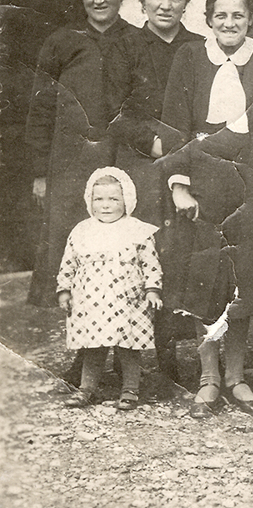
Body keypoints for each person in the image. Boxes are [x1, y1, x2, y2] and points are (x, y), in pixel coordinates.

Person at [160, 0, 253, 418]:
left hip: (249, 179)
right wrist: (179, 183)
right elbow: (175, 122)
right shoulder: (191, 58)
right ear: (208, 20)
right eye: (220, 16)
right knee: (204, 277)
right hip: (203, 177)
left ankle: (237, 376)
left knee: (244, 275)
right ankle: (208, 377)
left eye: (237, 15)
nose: (229, 23)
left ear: (250, 18)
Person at [105, 0, 201, 386]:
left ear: (187, 4)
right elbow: (111, 114)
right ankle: (117, 354)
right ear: (142, 1)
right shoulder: (124, 47)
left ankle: (169, 357)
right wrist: (154, 144)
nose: (165, 4)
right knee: (135, 257)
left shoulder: (200, 46)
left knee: (178, 255)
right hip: (142, 164)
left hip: (189, 164)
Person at [26, 0, 136, 308]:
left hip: (123, 160)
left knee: (121, 252)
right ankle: (83, 354)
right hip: (70, 165)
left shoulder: (136, 40)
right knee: (74, 252)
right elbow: (41, 110)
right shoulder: (61, 42)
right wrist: (40, 173)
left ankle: (124, 353)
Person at [57, 167, 162, 410]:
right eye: (99, 199)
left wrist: (152, 290)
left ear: (127, 200)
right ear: (89, 200)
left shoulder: (138, 230)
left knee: (128, 347)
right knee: (93, 346)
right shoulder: (82, 230)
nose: (105, 205)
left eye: (114, 199)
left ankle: (130, 390)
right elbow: (68, 263)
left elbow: (151, 263)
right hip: (91, 300)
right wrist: (64, 290)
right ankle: (86, 389)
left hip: (129, 300)